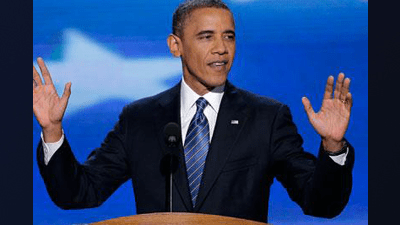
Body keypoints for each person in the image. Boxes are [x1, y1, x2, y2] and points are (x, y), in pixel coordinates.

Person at [33, 0, 354, 223]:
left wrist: (333, 148)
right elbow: (79, 194)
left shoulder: (267, 118)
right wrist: (52, 132)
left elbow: (321, 204)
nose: (221, 48)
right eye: (206, 37)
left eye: (229, 36)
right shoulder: (140, 119)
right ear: (176, 46)